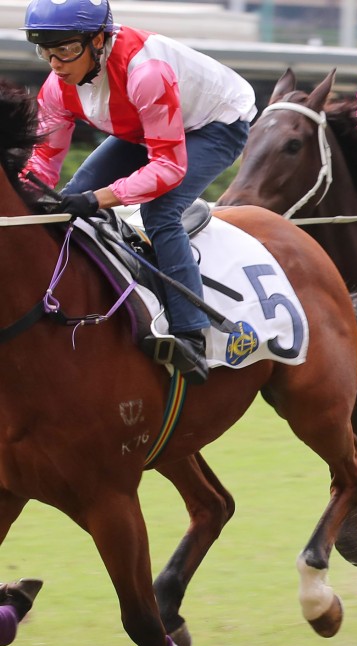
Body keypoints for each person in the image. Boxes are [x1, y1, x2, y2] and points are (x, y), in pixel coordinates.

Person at [22, 0, 257, 384]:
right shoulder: (55, 89)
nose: (56, 64)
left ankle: (191, 333)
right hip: (143, 126)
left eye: (65, 49)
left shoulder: (145, 72)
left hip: (215, 125)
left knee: (159, 212)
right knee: (70, 197)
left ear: (99, 39)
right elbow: (42, 168)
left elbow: (167, 168)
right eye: (46, 51)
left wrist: (99, 199)